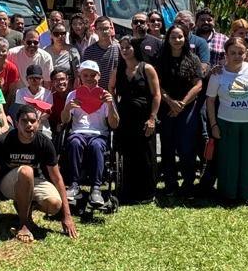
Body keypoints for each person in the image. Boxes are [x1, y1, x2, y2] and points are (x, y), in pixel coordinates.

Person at [0, 104, 77, 244]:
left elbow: (57, 178)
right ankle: (24, 224)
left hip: (34, 180)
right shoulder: (3, 141)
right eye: (24, 121)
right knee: (26, 171)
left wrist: (67, 216)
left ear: (38, 122)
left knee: (54, 205)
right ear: (16, 124)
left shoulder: (44, 142)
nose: (29, 125)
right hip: (8, 183)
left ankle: (24, 205)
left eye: (33, 121)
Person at [205, 37, 248, 205]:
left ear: (246, 53)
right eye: (233, 53)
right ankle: (228, 194)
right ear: (226, 54)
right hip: (226, 123)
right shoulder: (218, 73)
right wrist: (213, 125)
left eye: (240, 52)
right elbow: (210, 100)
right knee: (229, 159)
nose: (237, 56)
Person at [60, 60, 120, 210]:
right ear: (80, 76)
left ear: (99, 76)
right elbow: (64, 120)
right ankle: (74, 185)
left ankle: (96, 188)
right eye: (85, 75)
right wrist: (67, 108)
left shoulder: (105, 95)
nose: (89, 78)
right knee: (73, 142)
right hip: (78, 132)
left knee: (96, 146)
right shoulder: (73, 95)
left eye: (93, 75)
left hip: (98, 134)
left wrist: (110, 105)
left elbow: (114, 124)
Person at [153, 24, 203, 197]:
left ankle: (188, 184)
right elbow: (157, 84)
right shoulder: (160, 59)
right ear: (168, 39)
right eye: (173, 37)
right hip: (167, 109)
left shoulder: (193, 59)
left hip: (188, 108)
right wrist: (170, 102)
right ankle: (170, 184)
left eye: (180, 37)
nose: (177, 40)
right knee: (167, 146)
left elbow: (198, 84)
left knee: (186, 147)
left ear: (185, 38)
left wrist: (181, 103)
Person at [115, 36, 161, 203]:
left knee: (146, 155)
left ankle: (147, 193)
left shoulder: (147, 68)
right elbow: (110, 89)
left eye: (128, 47)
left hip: (144, 117)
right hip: (125, 117)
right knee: (128, 155)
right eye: (122, 48)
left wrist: (152, 118)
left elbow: (156, 95)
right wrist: (113, 109)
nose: (125, 50)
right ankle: (128, 192)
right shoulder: (119, 69)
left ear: (135, 48)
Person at [82, 17, 121, 94]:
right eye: (100, 29)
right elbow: (84, 73)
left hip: (116, 92)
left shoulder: (119, 48)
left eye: (106, 28)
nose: (104, 31)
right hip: (95, 92)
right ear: (95, 30)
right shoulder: (89, 51)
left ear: (111, 29)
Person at [13, 65, 53, 133]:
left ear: (42, 79)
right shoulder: (20, 92)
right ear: (26, 78)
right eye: (31, 78)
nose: (34, 80)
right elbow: (20, 111)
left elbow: (47, 113)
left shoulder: (48, 93)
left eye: (37, 78)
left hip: (42, 126)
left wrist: (37, 122)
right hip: (24, 125)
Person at [45, 20, 81, 87]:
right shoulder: (46, 52)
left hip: (68, 87)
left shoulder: (72, 51)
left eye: (62, 33)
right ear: (51, 35)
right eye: (56, 34)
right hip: (51, 87)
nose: (60, 36)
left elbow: (77, 73)